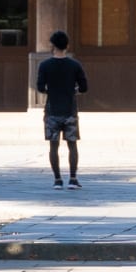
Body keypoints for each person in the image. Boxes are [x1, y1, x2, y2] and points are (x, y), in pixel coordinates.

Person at [34, 30, 88, 189]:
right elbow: (84, 87)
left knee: (53, 145)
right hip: (70, 110)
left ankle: (57, 180)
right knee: (72, 144)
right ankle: (73, 178)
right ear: (67, 46)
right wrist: (73, 90)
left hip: (52, 110)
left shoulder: (44, 65)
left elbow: (40, 87)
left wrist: (51, 90)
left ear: (52, 45)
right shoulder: (75, 65)